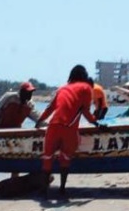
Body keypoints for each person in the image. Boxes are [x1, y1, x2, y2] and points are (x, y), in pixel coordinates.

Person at [35, 65, 103, 195]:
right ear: (84, 76)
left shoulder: (62, 88)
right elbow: (85, 112)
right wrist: (96, 123)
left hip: (53, 126)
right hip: (69, 129)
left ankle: (44, 191)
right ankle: (62, 188)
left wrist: (39, 122)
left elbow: (50, 108)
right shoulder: (86, 88)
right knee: (65, 159)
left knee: (47, 158)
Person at [0, 81, 43, 183]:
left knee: (17, 156)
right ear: (21, 91)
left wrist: (47, 125)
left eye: (31, 92)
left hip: (15, 133)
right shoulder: (9, 97)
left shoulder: (29, 104)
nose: (30, 95)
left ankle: (14, 179)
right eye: (28, 92)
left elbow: (38, 118)